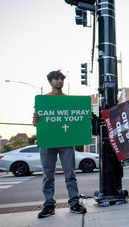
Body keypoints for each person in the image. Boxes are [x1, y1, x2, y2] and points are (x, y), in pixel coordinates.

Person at [33, 70, 87, 218]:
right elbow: (35, 123)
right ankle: (49, 205)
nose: (59, 81)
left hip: (65, 141)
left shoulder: (68, 100)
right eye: (55, 79)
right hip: (48, 142)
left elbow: (75, 120)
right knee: (47, 175)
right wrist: (35, 119)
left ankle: (74, 203)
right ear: (50, 82)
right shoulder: (43, 100)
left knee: (70, 173)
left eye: (61, 79)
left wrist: (84, 119)